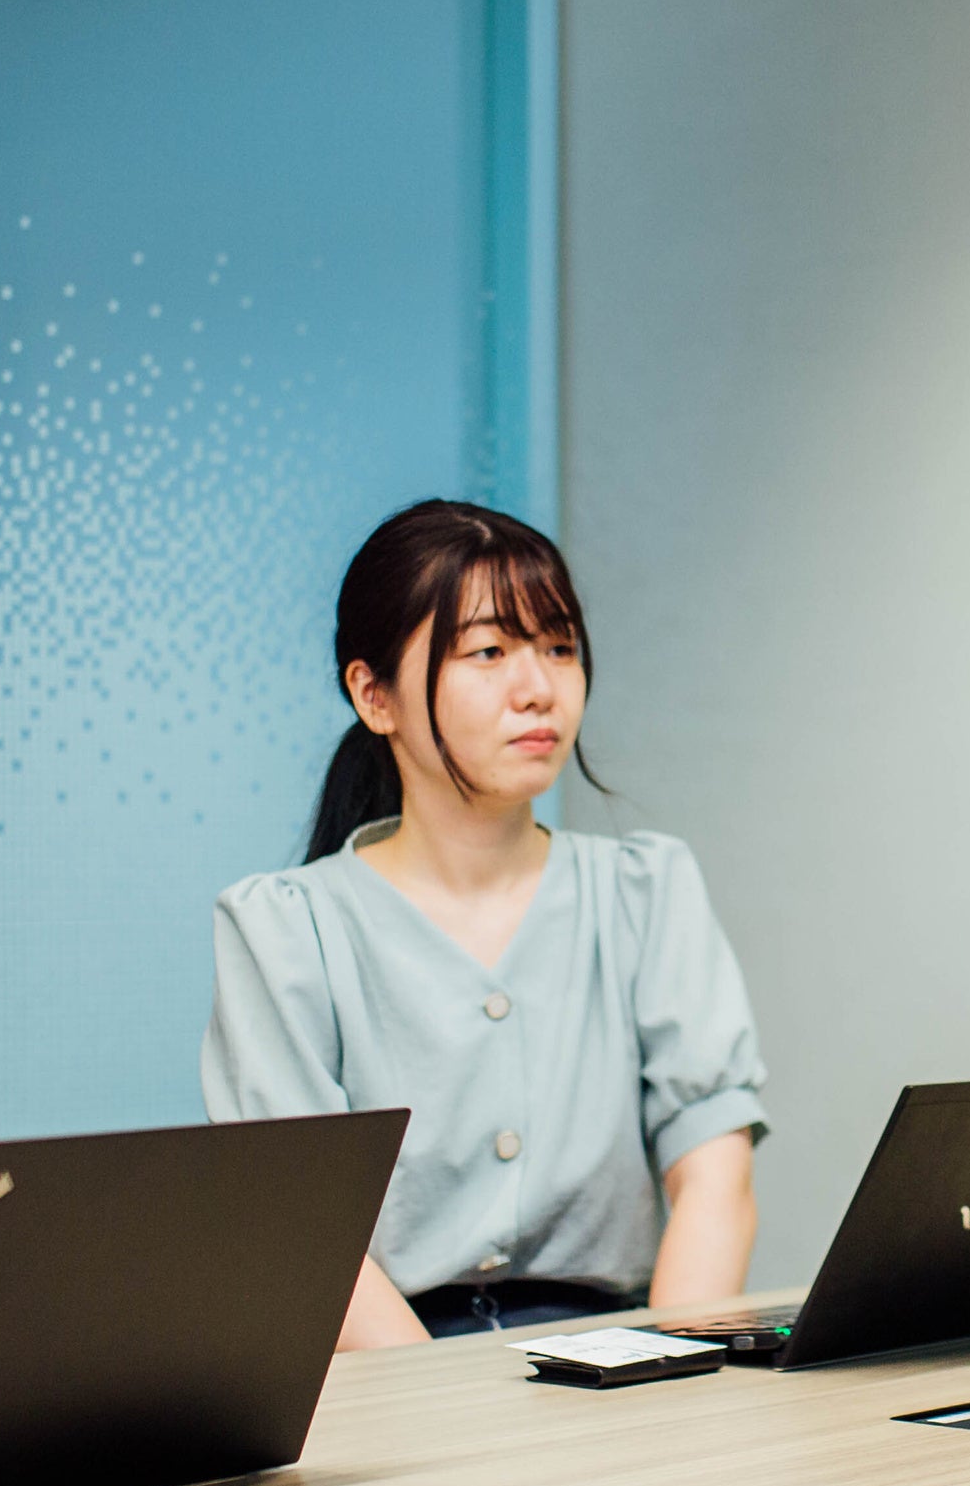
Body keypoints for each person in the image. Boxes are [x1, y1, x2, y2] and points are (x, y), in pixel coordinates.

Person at [205, 501, 768, 1350]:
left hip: (620, 1353)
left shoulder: (645, 891)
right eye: (489, 652)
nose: (538, 687)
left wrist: (669, 1367)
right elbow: (306, 1234)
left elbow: (716, 1177)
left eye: (559, 647)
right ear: (374, 695)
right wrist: (449, 1407)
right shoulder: (283, 928)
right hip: (388, 1377)